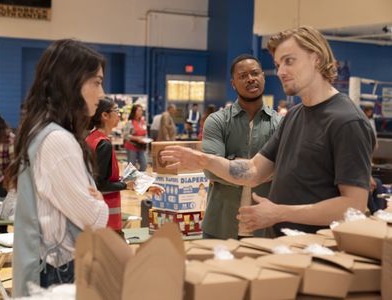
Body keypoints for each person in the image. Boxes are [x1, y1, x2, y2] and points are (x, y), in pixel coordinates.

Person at [161, 26, 376, 236]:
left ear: (316, 59)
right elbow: (254, 171)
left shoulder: (347, 121)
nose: (281, 71)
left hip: (318, 253)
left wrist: (279, 212)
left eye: (289, 61)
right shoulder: (294, 116)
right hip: (281, 246)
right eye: (278, 64)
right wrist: (205, 161)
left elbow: (354, 206)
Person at [5, 39, 109, 296]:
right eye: (96, 82)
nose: (102, 93)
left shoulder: (43, 131)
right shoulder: (58, 141)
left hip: (53, 265)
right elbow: (93, 218)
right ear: (71, 82)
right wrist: (100, 203)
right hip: (59, 269)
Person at [201, 54, 282, 239]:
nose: (250, 79)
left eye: (255, 73)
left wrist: (228, 164)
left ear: (263, 76)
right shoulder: (217, 121)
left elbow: (285, 169)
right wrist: (262, 171)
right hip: (219, 225)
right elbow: (211, 170)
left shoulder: (280, 123)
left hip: (264, 229)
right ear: (233, 83)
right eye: (243, 75)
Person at [86, 98, 164, 232]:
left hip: (94, 214)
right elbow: (99, 184)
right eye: (116, 111)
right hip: (106, 216)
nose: (120, 115)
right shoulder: (104, 144)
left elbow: (106, 178)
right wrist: (126, 185)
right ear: (105, 115)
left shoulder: (91, 138)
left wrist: (144, 186)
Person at [123, 104, 148, 171]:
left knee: (144, 164)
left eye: (141, 111)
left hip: (141, 146)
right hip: (132, 146)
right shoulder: (130, 122)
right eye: (139, 110)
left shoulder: (143, 122)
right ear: (134, 112)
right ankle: (130, 180)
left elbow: (145, 133)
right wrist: (137, 138)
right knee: (131, 166)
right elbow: (125, 135)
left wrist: (145, 139)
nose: (141, 112)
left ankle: (139, 178)